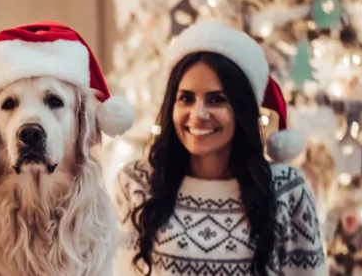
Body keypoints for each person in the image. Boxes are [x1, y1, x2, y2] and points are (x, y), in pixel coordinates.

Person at [113, 20, 327, 275]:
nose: (198, 113)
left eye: (216, 99)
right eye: (186, 98)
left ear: (242, 110)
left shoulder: (286, 190)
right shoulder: (137, 183)